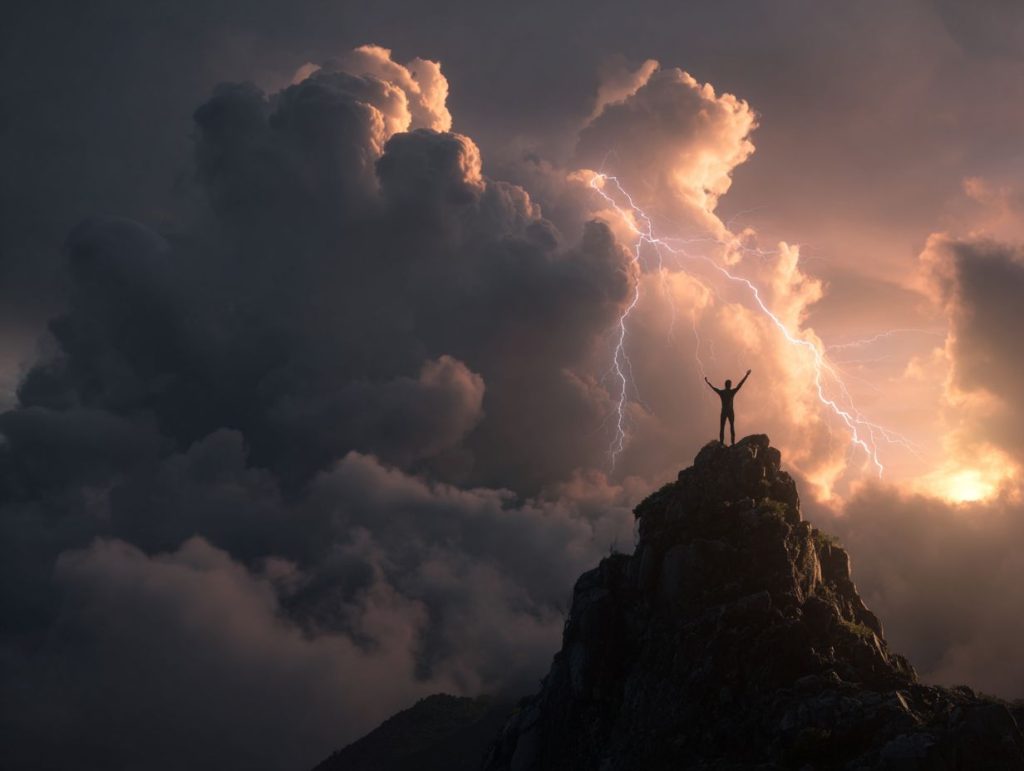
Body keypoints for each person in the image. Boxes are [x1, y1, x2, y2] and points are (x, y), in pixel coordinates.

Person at [704, 370, 751, 446]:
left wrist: (708, 382)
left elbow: (713, 388)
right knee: (731, 426)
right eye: (730, 384)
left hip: (724, 412)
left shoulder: (722, 392)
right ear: (729, 385)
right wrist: (746, 375)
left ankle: (722, 443)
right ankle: (732, 443)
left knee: (723, 427)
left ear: (725, 385)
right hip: (730, 412)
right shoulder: (731, 392)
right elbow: (740, 384)